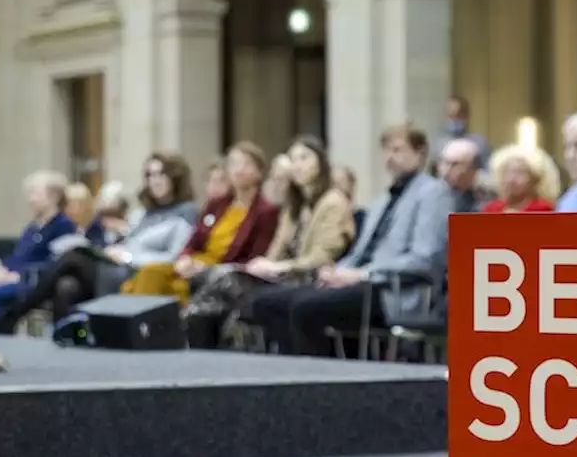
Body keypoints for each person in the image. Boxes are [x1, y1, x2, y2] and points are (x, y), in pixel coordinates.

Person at [249, 123, 451, 356]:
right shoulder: (382, 200)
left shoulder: (434, 193)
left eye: (398, 150)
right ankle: (287, 377)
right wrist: (336, 272)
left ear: (420, 153)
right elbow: (358, 254)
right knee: (268, 303)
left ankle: (317, 383)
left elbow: (424, 259)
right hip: (360, 282)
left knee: (304, 308)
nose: (390, 157)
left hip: (394, 290)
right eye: (386, 150)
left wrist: (362, 274)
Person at [183, 136, 355, 348]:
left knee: (223, 279)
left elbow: (322, 257)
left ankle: (196, 342)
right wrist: (264, 264)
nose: (298, 165)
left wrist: (278, 266)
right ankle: (201, 344)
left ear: (321, 162)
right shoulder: (295, 205)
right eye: (293, 159)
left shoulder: (333, 202)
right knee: (216, 279)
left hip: (310, 277)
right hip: (281, 276)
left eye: (305, 158)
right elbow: (277, 248)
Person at [0, 152, 200, 327]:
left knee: (73, 257)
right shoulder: (144, 213)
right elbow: (127, 239)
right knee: (67, 285)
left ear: (176, 177)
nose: (154, 180)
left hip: (134, 272)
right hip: (112, 264)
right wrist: (114, 246)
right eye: (150, 174)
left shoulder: (185, 214)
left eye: (160, 174)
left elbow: (174, 258)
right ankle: (70, 339)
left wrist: (128, 257)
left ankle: (15, 314)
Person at [123, 143, 278, 306]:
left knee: (155, 288)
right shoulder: (217, 204)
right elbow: (194, 240)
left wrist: (205, 268)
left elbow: (253, 259)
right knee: (150, 272)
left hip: (221, 272)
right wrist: (185, 258)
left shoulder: (265, 211)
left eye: (246, 164)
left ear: (259, 171)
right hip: (193, 266)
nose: (239, 170)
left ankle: (138, 325)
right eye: (234, 164)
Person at [0, 171, 76, 330]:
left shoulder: (63, 226)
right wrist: (2, 270)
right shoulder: (32, 227)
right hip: (11, 276)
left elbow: (56, 263)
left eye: (35, 193)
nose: (30, 199)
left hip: (33, 282)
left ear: (54, 197)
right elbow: (18, 255)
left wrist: (17, 275)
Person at [482, 144, 559, 213]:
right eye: (506, 172)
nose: (511, 178)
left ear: (534, 179)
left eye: (520, 172)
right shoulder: (491, 209)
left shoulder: (543, 210)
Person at [434, 96, 490, 169]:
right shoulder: (440, 145)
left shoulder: (479, 143)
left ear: (466, 115)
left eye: (458, 115)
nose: (454, 119)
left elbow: (487, 172)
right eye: (451, 115)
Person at [437, 138, 483, 213]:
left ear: (473, 171)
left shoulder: (482, 202)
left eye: (456, 164)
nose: (447, 169)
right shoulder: (426, 196)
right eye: (445, 162)